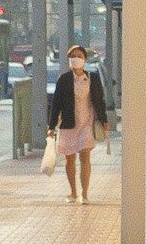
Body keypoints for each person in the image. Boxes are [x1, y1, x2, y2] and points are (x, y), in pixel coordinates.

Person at [47, 44, 109, 202]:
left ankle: (85, 194)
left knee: (85, 156)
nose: (76, 59)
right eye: (72, 56)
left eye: (79, 56)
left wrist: (104, 120)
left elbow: (99, 100)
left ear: (85, 59)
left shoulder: (92, 78)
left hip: (86, 122)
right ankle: (73, 192)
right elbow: (56, 104)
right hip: (69, 123)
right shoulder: (64, 79)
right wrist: (51, 126)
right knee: (70, 159)